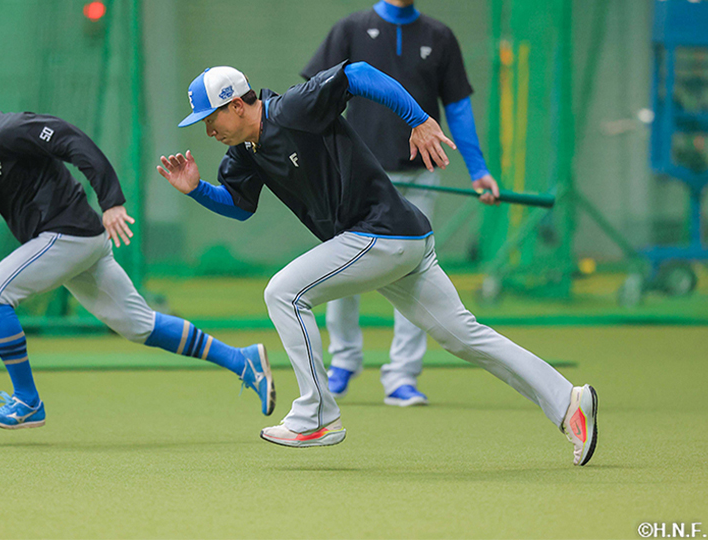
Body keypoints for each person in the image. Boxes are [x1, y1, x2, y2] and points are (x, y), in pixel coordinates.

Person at [157, 63, 597, 465]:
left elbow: (361, 73)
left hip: (381, 232)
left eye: (210, 119)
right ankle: (568, 401)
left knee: (284, 293)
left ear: (236, 104)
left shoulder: (292, 107)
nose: (208, 130)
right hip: (396, 238)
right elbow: (237, 205)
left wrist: (420, 120)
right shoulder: (244, 152)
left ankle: (315, 415)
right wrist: (196, 189)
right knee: (466, 337)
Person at [0, 82, 274, 429]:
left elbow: (72, 141)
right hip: (74, 241)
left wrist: (111, 200)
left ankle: (28, 401)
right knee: (139, 325)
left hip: (67, 232)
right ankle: (242, 361)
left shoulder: (6, 130)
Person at [302, 0, 500, 406]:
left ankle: (402, 376)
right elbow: (314, 98)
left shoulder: (439, 37)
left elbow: (458, 108)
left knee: (414, 272)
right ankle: (343, 361)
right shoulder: (350, 30)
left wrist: (478, 169)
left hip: (421, 176)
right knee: (340, 266)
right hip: (356, 176)